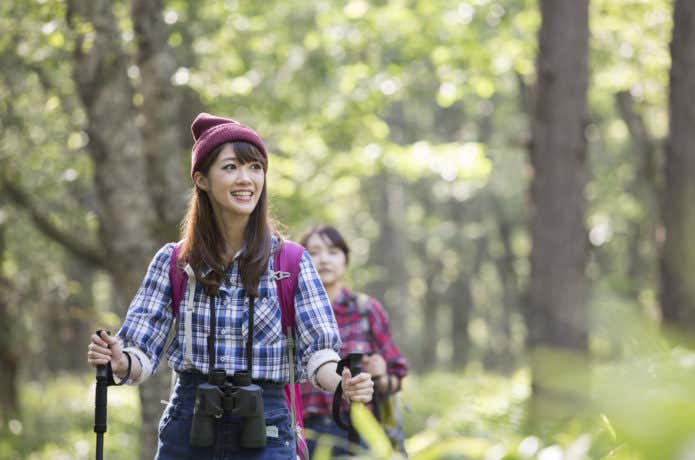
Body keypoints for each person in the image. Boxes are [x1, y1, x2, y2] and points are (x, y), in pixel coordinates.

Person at [86, 113, 373, 460]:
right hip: (188, 425)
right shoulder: (174, 262)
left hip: (266, 426)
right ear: (201, 179)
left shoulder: (292, 262)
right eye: (231, 167)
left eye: (255, 168)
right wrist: (118, 360)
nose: (246, 179)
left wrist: (343, 381)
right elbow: (141, 350)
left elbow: (318, 354)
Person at [299, 225, 409, 457]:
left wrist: (379, 376)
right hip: (303, 433)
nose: (324, 260)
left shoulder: (366, 310)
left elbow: (397, 379)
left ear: (345, 259)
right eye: (314, 252)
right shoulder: (292, 312)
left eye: (333, 251)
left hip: (358, 430)